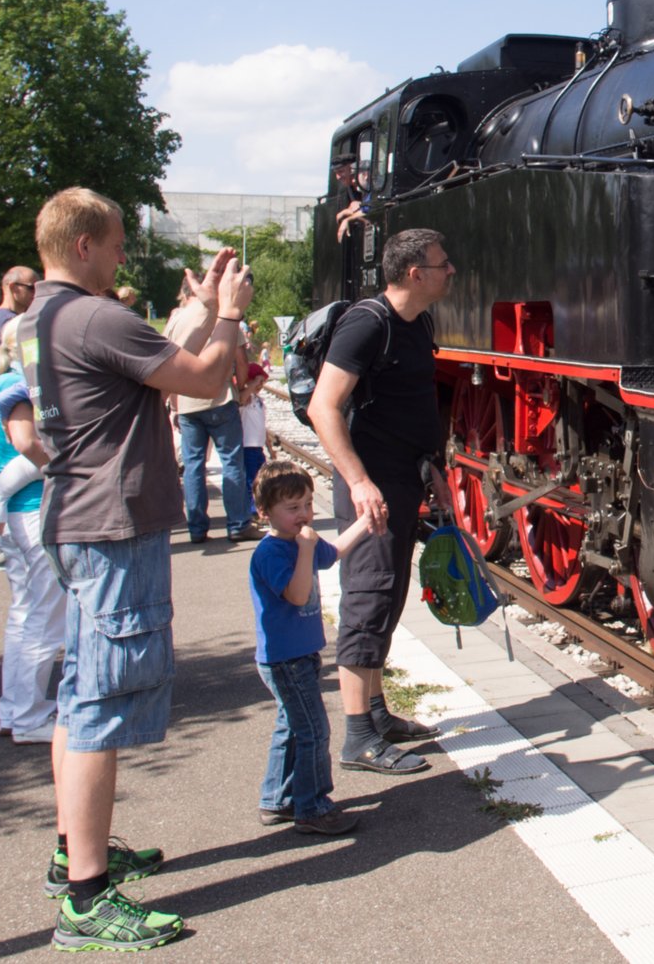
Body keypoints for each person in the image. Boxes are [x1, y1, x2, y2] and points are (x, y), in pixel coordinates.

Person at [25, 186, 252, 950]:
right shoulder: (96, 315)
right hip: (112, 525)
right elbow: (204, 380)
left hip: (76, 515)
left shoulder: (42, 315)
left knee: (77, 693)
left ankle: (72, 852)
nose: (125, 255)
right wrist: (227, 312)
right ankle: (88, 901)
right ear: (84, 244)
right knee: (98, 701)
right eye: (119, 242)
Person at [307, 227, 456, 774]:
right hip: (370, 484)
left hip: (403, 477)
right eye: (444, 264)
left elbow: (412, 404)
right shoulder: (366, 325)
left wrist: (432, 466)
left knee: (388, 596)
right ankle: (357, 738)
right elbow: (323, 407)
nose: (452, 272)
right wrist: (358, 481)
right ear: (415, 273)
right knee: (366, 600)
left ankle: (376, 712)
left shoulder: (418, 324)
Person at [247, 460, 374, 836]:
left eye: (306, 504)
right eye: (292, 508)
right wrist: (304, 549)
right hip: (284, 660)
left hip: (299, 654)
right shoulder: (271, 553)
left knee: (291, 726)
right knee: (314, 731)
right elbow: (298, 594)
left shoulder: (302, 542)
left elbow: (332, 554)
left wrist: (365, 522)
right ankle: (312, 806)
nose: (304, 515)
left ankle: (277, 799)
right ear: (266, 512)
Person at [0, 313, 67, 742]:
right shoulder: (19, 389)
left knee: (24, 616)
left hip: (17, 511)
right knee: (44, 619)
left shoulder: (1, 382)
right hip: (33, 509)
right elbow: (28, 444)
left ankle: (14, 709)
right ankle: (30, 717)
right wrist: (71, 467)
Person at [162, 282, 254, 543]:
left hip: (187, 401)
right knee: (231, 462)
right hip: (220, 399)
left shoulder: (175, 319)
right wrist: (243, 389)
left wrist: (173, 404)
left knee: (193, 465)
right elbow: (240, 361)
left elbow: (166, 361)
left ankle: (196, 527)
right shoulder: (222, 316)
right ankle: (237, 523)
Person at [0, 266, 38, 356]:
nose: (36, 293)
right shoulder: (11, 322)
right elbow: (31, 362)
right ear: (13, 288)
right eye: (31, 288)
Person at [237, 363, 269, 517]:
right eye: (257, 382)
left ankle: (257, 506)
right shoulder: (246, 398)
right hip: (247, 445)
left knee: (260, 478)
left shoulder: (259, 400)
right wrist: (252, 384)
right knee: (251, 479)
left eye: (262, 383)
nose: (260, 386)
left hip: (258, 446)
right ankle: (251, 509)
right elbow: (241, 398)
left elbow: (263, 426)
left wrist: (270, 447)